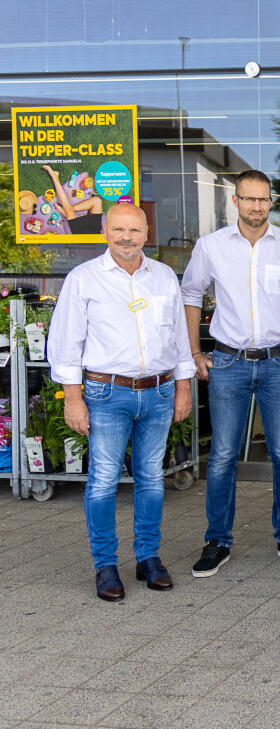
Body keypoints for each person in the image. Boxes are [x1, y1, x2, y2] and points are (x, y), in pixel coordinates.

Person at [47, 204, 195, 600]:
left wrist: (183, 388)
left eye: (134, 229)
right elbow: (65, 344)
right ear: (104, 230)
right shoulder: (84, 278)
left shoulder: (163, 277)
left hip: (160, 392)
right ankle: (105, 565)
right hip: (106, 393)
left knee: (150, 478)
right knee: (103, 481)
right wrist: (72, 399)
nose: (126, 237)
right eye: (118, 229)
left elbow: (179, 337)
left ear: (147, 233)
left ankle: (148, 559)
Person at [181, 169, 280, 577]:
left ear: (270, 202)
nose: (257, 206)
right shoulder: (210, 247)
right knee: (223, 455)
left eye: (263, 200)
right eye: (249, 199)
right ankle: (217, 541)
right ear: (236, 201)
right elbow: (190, 295)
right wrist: (193, 351)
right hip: (227, 362)